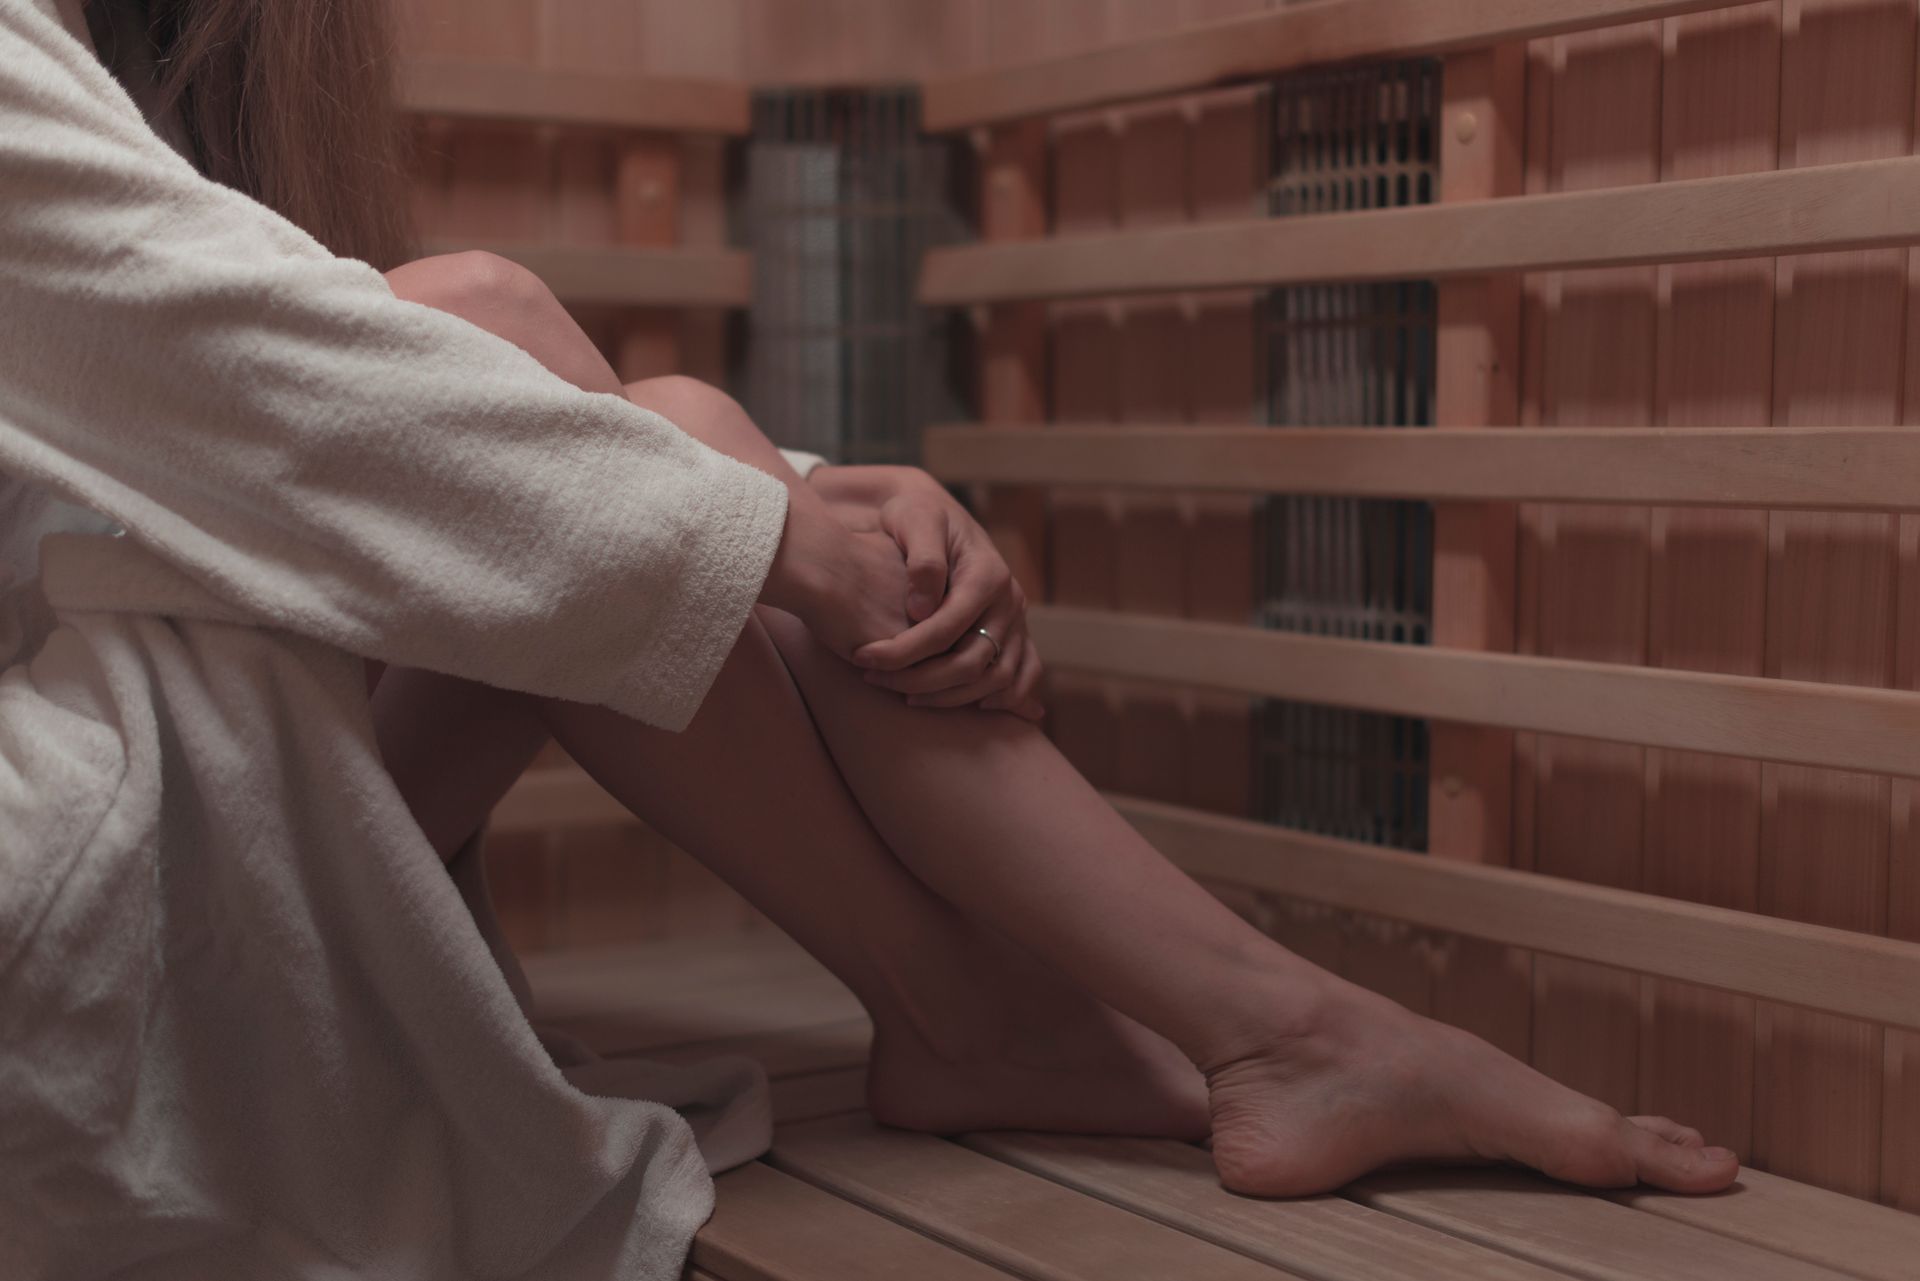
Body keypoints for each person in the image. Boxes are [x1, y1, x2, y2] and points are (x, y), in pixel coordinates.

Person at [0, 0, 1738, 1276]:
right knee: (491, 320)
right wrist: (780, 530)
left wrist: (803, 507)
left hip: (166, 761)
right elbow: (281, 402)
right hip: (62, 837)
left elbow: (253, 437)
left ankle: (1071, 1015)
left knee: (625, 393)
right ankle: (1162, 1015)